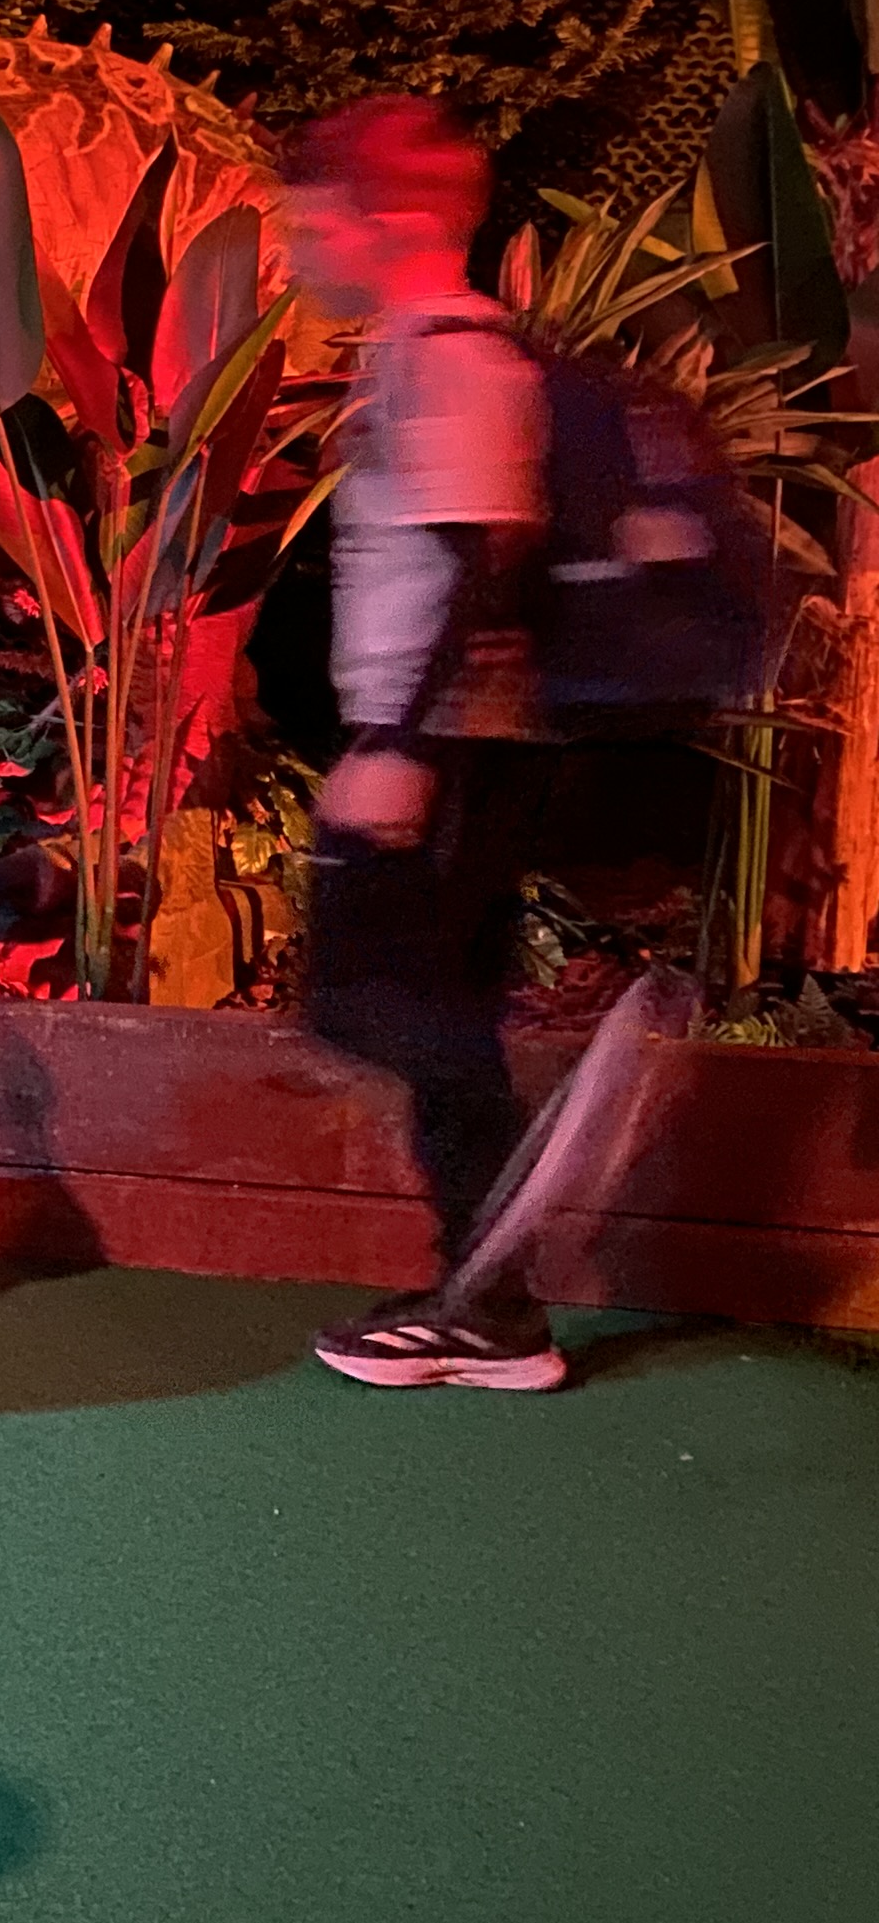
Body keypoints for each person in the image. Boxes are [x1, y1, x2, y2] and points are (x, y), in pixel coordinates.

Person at [281, 97, 568, 1392]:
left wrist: (398, 743)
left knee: (376, 1001)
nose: (297, 243)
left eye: (311, 217)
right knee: (411, 1005)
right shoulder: (423, 346)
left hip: (443, 744)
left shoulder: (445, 352)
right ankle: (484, 1290)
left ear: (382, 220)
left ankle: (496, 1283)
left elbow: (478, 550)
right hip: (458, 740)